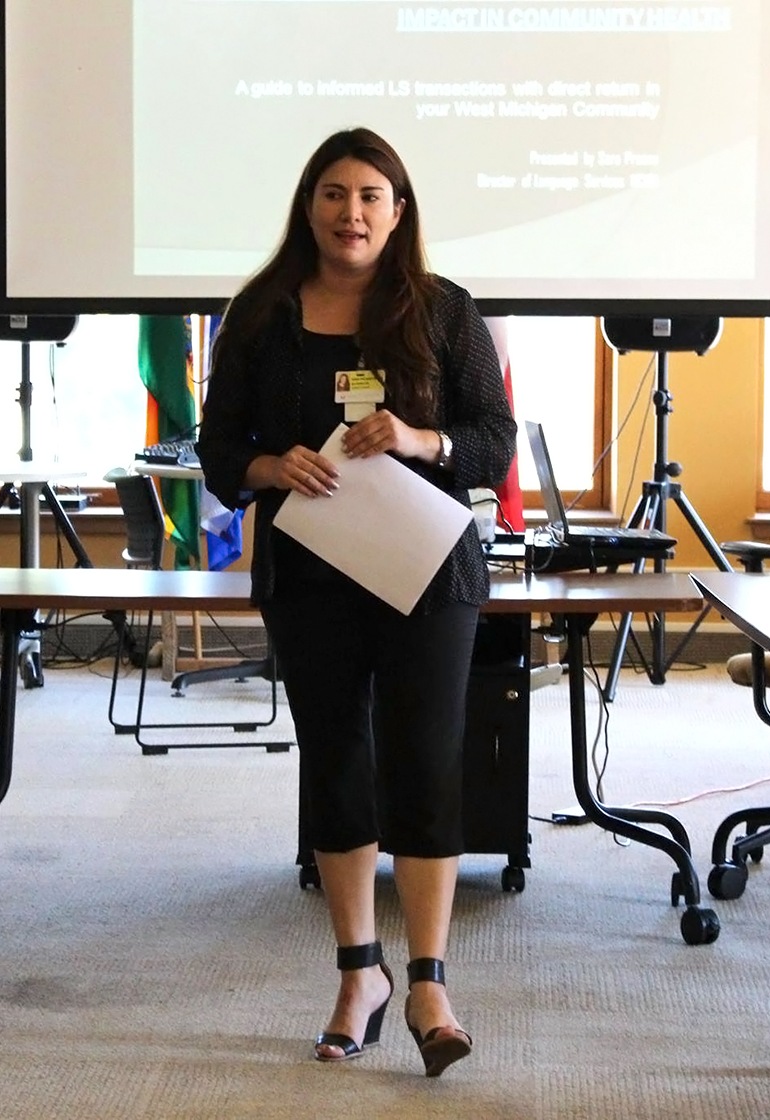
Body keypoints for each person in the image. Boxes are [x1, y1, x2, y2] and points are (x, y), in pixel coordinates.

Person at [196, 128, 516, 1076]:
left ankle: (428, 981)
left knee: (426, 761)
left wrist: (423, 440)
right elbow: (216, 451)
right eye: (334, 195)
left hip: (428, 570)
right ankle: (356, 972)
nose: (352, 213)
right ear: (309, 207)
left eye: (372, 196)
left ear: (399, 211)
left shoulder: (446, 312)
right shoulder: (259, 314)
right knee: (336, 760)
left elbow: (492, 442)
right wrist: (267, 462)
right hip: (311, 571)